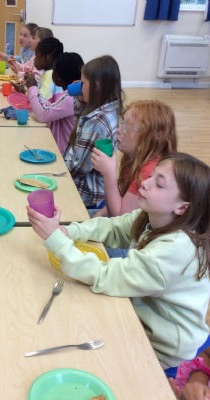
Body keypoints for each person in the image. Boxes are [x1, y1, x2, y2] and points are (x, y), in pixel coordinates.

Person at [27, 152, 210, 369]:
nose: (145, 182)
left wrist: (56, 240)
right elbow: (113, 226)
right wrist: (67, 232)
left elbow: (106, 277)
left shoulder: (172, 251)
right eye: (151, 175)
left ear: (182, 207)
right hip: (140, 317)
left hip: (161, 350)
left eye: (159, 184)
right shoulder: (153, 216)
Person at [92, 100, 178, 218]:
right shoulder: (134, 158)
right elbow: (122, 199)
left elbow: (120, 218)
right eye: (122, 123)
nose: (118, 130)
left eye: (128, 126)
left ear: (152, 137)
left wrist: (109, 174)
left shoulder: (150, 171)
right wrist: (99, 215)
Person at [64, 55, 123, 212]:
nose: (79, 85)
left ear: (95, 86)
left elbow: (78, 168)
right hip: (99, 192)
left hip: (85, 196)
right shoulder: (110, 107)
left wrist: (59, 167)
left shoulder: (96, 122)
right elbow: (80, 126)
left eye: (83, 83)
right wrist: (81, 99)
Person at [25, 52, 84, 154]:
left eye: (53, 70)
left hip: (63, 155)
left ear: (59, 77)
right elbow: (51, 107)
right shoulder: (68, 94)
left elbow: (43, 114)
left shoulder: (70, 97)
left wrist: (32, 87)